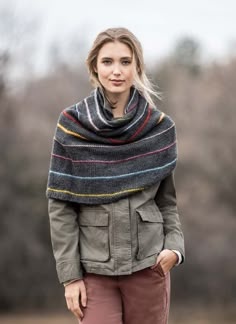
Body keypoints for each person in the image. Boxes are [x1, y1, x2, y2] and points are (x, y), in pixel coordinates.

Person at [46, 27, 185, 324]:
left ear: (137, 66)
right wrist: (70, 277)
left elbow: (167, 202)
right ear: (94, 66)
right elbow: (60, 206)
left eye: (125, 61)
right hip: (94, 272)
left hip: (150, 268)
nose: (117, 71)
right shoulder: (72, 126)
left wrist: (175, 248)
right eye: (108, 61)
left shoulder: (159, 128)